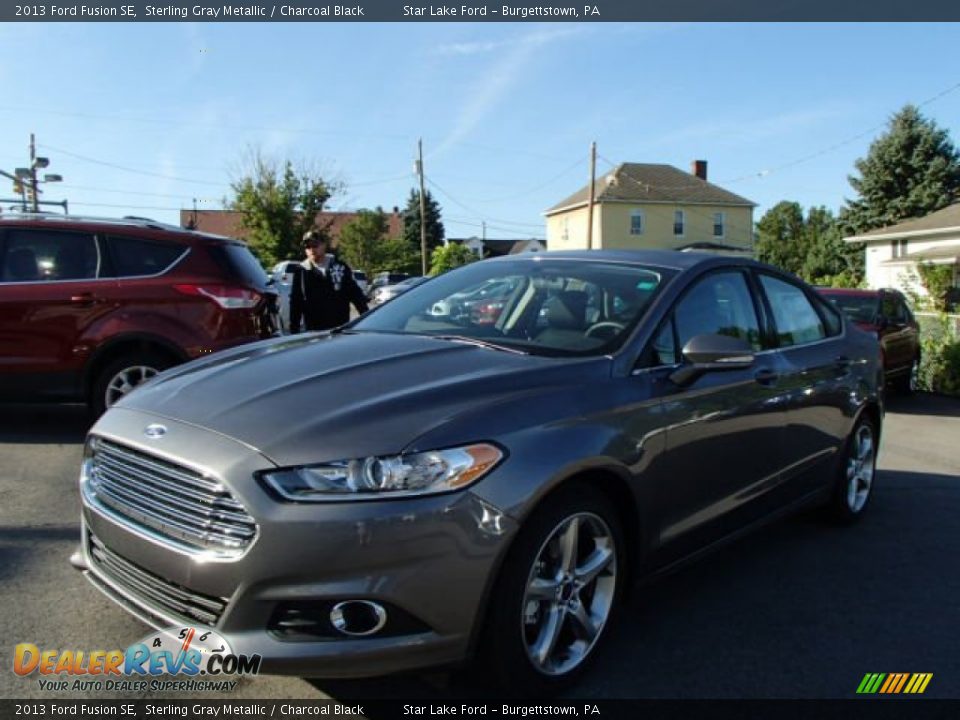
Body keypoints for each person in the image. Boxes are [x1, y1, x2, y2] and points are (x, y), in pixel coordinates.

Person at [288, 229, 369, 333]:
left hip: (339, 328)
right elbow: (296, 302)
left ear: (324, 245)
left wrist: (366, 320)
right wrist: (294, 330)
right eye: (308, 247)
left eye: (315, 245)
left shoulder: (339, 267)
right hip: (313, 330)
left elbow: (356, 295)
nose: (312, 249)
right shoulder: (301, 271)